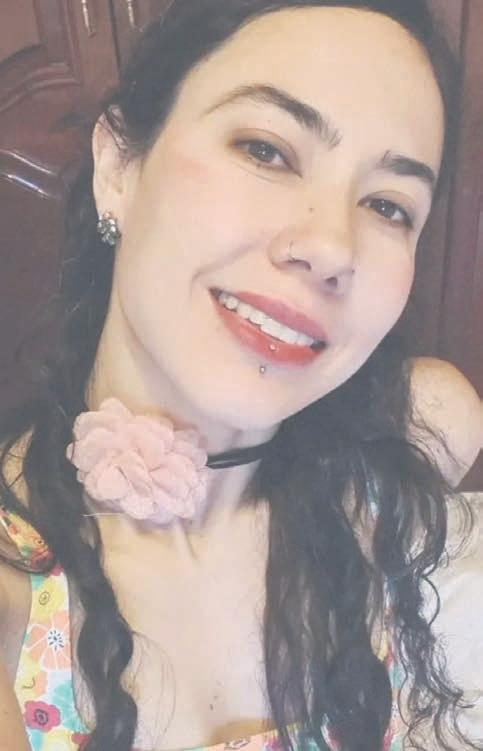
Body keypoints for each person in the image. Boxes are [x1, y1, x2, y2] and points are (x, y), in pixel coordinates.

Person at [0, 1, 482, 750]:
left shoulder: (397, 462)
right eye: (266, 150)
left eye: (388, 206)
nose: (331, 245)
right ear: (118, 165)